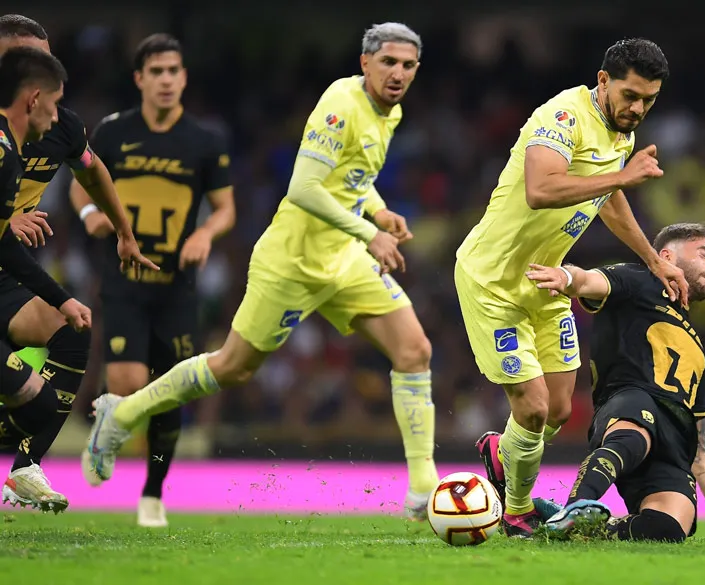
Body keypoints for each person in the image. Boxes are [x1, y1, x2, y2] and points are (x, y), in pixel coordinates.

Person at [81, 23, 441, 520]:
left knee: (415, 350)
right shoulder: (341, 105)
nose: (398, 73)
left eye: (407, 65)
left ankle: (423, 488)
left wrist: (377, 212)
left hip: (345, 259)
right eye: (388, 63)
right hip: (292, 261)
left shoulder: (390, 111)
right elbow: (303, 188)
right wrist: (368, 232)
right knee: (232, 366)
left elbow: (354, 177)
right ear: (365, 63)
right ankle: (120, 412)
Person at [456, 37, 689, 537]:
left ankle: (501, 451)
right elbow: (540, 190)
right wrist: (620, 178)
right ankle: (517, 511)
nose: (637, 108)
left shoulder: (619, 132)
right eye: (630, 95)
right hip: (493, 280)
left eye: (648, 100)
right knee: (533, 407)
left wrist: (652, 260)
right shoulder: (562, 116)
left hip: (546, 280)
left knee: (559, 410)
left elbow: (608, 198)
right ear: (603, 81)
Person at [68, 33, 236, 527]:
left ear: (184, 78)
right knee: (127, 382)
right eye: (156, 71)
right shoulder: (112, 133)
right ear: (139, 78)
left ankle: (153, 494)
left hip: (178, 286)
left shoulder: (205, 141)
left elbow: (226, 209)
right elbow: (80, 185)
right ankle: (110, 427)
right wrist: (89, 216)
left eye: (173, 71)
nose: (166, 80)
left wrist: (204, 232)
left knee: (172, 391)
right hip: (124, 279)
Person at [0, 15, 155, 514]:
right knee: (35, 401)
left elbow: (92, 169)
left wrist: (125, 232)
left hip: (6, 271)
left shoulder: (58, 126)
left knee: (73, 327)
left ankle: (25, 468)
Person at [525, 222, 705, 542]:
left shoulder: (696, 346)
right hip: (630, 403)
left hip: (674, 441)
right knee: (636, 432)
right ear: (666, 256)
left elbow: (703, 451)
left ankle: (585, 528)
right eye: (703, 253)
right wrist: (567, 277)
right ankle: (573, 509)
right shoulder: (638, 280)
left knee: (669, 529)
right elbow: (589, 280)